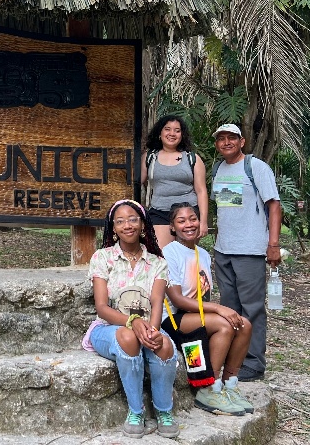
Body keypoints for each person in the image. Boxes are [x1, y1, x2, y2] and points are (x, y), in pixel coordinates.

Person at [82, 199, 180, 440]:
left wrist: (153, 331)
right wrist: (132, 322)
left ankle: (163, 411)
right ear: (113, 228)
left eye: (133, 219)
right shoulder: (102, 258)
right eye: (120, 221)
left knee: (165, 344)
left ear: (143, 224)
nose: (127, 225)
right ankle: (136, 412)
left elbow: (157, 302)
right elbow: (102, 307)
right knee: (128, 337)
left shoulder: (157, 263)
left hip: (147, 325)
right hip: (109, 328)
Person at [161, 203, 254, 416]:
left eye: (192, 218)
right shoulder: (169, 253)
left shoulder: (202, 253)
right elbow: (177, 298)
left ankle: (229, 385)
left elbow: (203, 294)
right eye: (181, 221)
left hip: (197, 313)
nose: (189, 224)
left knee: (244, 325)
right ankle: (208, 388)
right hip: (174, 318)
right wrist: (219, 309)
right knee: (224, 325)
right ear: (172, 227)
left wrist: (216, 310)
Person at [210, 123, 282, 382]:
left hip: (250, 250)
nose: (226, 142)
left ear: (242, 141)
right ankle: (233, 359)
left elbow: (274, 205)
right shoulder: (218, 169)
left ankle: (253, 362)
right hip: (223, 250)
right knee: (230, 308)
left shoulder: (256, 167)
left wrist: (272, 244)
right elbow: (226, 208)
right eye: (221, 139)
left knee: (251, 309)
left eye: (232, 138)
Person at [140, 115, 209, 249]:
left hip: (188, 213)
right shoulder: (149, 157)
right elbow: (134, 184)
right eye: (167, 129)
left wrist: (203, 221)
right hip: (159, 212)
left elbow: (201, 191)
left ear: (182, 135)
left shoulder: (192, 159)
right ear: (160, 132)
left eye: (177, 130)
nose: (172, 134)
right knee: (161, 257)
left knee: (187, 258)